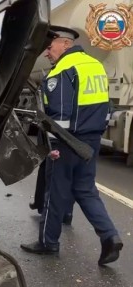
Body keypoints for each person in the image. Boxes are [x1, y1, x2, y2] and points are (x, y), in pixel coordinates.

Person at [20, 26, 123, 266]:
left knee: (55, 191)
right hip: (91, 140)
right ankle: (109, 236)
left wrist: (54, 145)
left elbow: (61, 115)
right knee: (85, 190)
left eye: (49, 46)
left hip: (67, 142)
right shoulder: (94, 65)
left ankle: (48, 243)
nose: (46, 53)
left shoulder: (63, 70)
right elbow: (105, 106)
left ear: (65, 44)